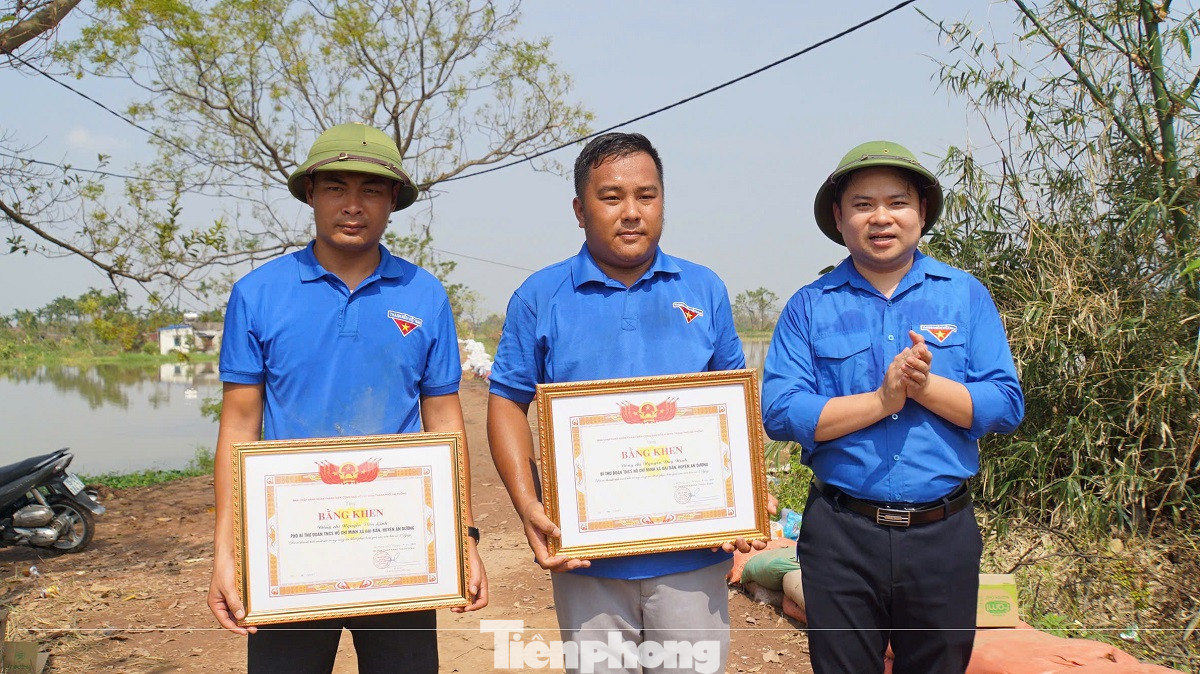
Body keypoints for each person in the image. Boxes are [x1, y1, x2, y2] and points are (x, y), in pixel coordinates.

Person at [206, 123, 487, 674]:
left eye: (371, 190)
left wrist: (464, 534)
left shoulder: (423, 294)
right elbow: (238, 428)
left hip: (399, 538)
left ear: (392, 202)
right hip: (290, 541)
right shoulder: (258, 294)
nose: (353, 205)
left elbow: (445, 423)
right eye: (336, 188)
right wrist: (227, 549)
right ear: (310, 193)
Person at [487, 132, 771, 674]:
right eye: (612, 197)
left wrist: (749, 499)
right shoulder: (540, 296)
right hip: (588, 560)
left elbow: (733, 401)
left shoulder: (704, 288)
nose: (632, 213)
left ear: (664, 200)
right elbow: (505, 402)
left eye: (647, 195)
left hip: (693, 554)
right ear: (579, 209)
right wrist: (530, 506)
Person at [761, 140, 1025, 674]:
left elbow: (1006, 403)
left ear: (921, 212)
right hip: (840, 536)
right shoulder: (809, 307)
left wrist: (926, 390)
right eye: (862, 204)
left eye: (897, 202)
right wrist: (883, 400)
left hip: (941, 535)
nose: (881, 217)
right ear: (839, 217)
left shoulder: (965, 296)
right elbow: (781, 411)